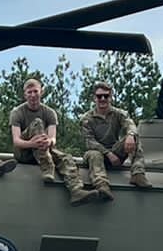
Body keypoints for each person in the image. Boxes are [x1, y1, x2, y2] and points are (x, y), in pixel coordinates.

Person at [10, 77, 103, 205]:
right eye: (29, 92)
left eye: (35, 91)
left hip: (43, 149)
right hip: (24, 151)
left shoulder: (50, 113)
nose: (32, 95)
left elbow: (52, 138)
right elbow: (16, 141)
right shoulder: (17, 112)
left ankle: (76, 191)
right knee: (37, 123)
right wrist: (32, 143)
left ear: (41, 92)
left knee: (66, 158)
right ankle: (47, 167)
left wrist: (48, 143)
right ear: (25, 94)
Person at [77, 81, 152, 191]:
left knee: (134, 138)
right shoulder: (87, 119)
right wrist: (108, 154)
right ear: (94, 98)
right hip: (97, 154)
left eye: (106, 96)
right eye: (99, 96)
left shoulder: (119, 114)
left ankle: (138, 173)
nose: (102, 99)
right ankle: (101, 185)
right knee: (94, 154)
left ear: (111, 97)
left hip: (115, 151)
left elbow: (130, 125)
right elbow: (90, 142)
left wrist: (130, 135)